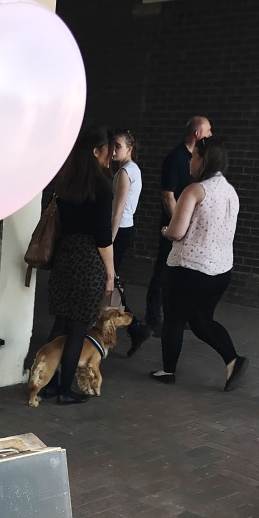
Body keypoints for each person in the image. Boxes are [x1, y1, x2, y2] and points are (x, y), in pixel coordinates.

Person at [150, 136, 248, 391]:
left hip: (189, 268)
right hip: (220, 270)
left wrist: (164, 230)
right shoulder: (230, 192)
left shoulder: (195, 190)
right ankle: (233, 360)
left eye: (194, 157)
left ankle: (168, 371)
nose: (190, 162)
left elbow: (176, 231)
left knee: (174, 320)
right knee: (202, 320)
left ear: (204, 160)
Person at [44, 125, 115, 405]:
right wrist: (110, 273)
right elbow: (102, 237)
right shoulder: (102, 187)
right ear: (97, 151)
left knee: (60, 322)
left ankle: (47, 383)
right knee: (77, 329)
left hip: (65, 257)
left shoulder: (65, 184)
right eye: (107, 151)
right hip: (87, 261)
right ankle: (64, 390)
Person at [145, 116, 212, 335]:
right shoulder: (176, 158)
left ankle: (175, 316)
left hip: (186, 231)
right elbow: (168, 196)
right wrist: (178, 227)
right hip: (173, 229)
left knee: (179, 276)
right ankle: (153, 320)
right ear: (197, 133)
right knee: (162, 274)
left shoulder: (199, 160)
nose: (211, 134)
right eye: (208, 130)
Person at [111, 128, 150, 355]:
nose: (114, 150)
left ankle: (133, 325)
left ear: (129, 149)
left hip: (120, 230)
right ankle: (133, 326)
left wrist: (110, 237)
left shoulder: (126, 171)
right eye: (113, 145)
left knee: (110, 279)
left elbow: (119, 208)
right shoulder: (130, 170)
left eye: (118, 146)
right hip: (124, 229)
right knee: (111, 279)